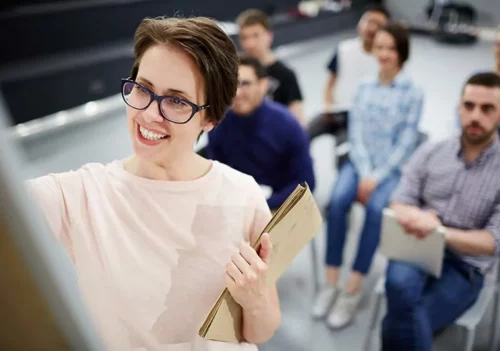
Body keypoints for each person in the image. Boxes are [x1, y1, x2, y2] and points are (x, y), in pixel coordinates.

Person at [26, 17, 281, 350]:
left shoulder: (243, 195)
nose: (148, 114)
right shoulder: (78, 197)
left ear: (210, 117)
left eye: (176, 101)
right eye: (143, 88)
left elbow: (259, 332)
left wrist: (256, 297)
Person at [312, 23, 424, 329]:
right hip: (359, 164)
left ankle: (353, 288)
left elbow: (407, 140)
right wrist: (363, 170)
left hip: (390, 169)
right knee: (336, 202)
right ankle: (331, 282)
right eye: (381, 47)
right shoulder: (362, 86)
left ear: (402, 53)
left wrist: (377, 176)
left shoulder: (413, 92)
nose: (385, 54)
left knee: (376, 211)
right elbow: (356, 132)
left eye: (392, 48)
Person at [381, 72, 500, 351]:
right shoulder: (432, 151)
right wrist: (416, 217)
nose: (475, 116)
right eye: (469, 106)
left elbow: (493, 241)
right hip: (416, 244)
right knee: (399, 288)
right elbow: (399, 200)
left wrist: (440, 232)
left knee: (402, 318)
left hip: (465, 266)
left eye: (487, 109)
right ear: (459, 107)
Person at [205, 54, 315, 210]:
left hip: (280, 206)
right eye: (232, 84)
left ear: (263, 85)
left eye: (245, 84)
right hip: (238, 205)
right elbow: (217, 176)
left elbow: (306, 182)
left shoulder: (288, 125)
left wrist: (263, 205)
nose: (236, 93)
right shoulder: (218, 125)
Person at [307, 3, 391, 140]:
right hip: (335, 110)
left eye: (379, 25)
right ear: (360, 22)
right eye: (369, 21)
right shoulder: (343, 49)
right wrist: (327, 106)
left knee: (344, 147)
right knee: (302, 134)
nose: (372, 28)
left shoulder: (385, 59)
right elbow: (330, 83)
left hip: (363, 118)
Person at [236, 9, 305, 126]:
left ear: (268, 36)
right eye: (244, 38)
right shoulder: (234, 72)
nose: (250, 44)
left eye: (255, 36)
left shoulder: (285, 75)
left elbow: (298, 121)